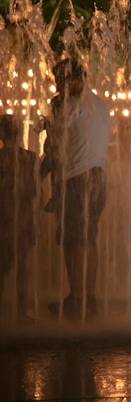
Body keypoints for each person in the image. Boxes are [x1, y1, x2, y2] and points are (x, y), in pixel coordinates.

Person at [45, 58, 112, 319]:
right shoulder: (99, 104)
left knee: (73, 241)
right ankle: (89, 297)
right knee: (88, 240)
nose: (59, 86)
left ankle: (76, 299)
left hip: (77, 179)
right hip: (98, 177)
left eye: (62, 80)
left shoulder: (71, 106)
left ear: (75, 79)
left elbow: (56, 144)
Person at [0, 115, 37, 322]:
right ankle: (22, 312)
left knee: (2, 267)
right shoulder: (29, 158)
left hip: (4, 216)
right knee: (23, 267)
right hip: (23, 216)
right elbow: (32, 190)